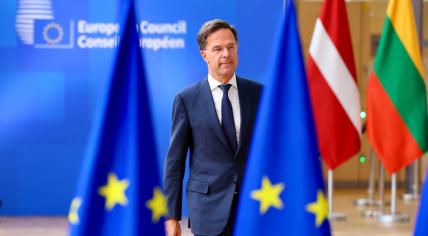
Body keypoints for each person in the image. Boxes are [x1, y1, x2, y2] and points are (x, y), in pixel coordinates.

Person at [163, 19, 263, 236]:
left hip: (254, 206)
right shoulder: (186, 100)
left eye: (230, 47)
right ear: (204, 55)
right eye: (217, 49)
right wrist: (172, 216)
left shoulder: (259, 94)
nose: (226, 54)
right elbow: (175, 162)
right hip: (207, 210)